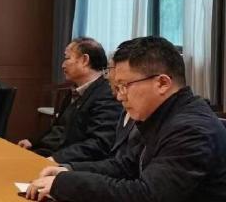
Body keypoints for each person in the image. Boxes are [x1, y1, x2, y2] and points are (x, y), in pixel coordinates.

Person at [26, 36, 226, 201]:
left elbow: (147, 195)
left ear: (162, 83)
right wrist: (67, 170)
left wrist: (65, 184)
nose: (119, 96)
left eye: (124, 86)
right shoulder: (163, 114)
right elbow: (125, 165)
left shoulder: (192, 129)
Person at [17, 37, 122, 162]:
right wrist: (32, 141)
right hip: (49, 152)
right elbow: (58, 127)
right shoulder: (75, 90)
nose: (62, 65)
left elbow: (99, 144)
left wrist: (55, 159)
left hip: (69, 161)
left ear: (84, 60)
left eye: (67, 58)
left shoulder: (106, 95)